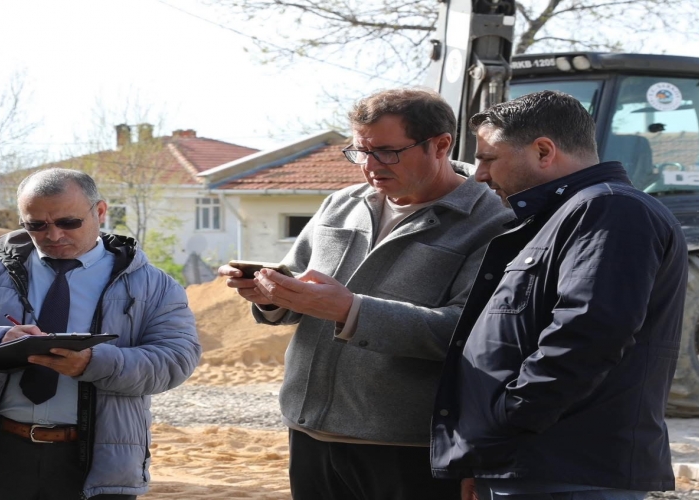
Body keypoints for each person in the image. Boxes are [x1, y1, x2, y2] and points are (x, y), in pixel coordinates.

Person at [218, 88, 512, 500]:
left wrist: (352, 311)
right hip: (308, 432)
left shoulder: (493, 222)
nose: (370, 166)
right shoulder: (340, 204)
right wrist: (269, 294)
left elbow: (471, 334)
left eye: (387, 152)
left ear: (440, 145)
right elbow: (299, 283)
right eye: (360, 152)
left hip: (408, 448)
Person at [431, 90, 688, 500]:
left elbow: (589, 334)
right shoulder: (564, 215)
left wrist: (506, 423)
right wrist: (482, 454)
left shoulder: (610, 209)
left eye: (489, 158)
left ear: (543, 151)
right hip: (533, 465)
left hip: (569, 472)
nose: (479, 174)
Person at [0, 168, 201, 499]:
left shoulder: (153, 285)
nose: (53, 235)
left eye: (68, 222)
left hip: (99, 460)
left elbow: (175, 360)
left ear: (100, 211)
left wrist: (93, 363)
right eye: (36, 225)